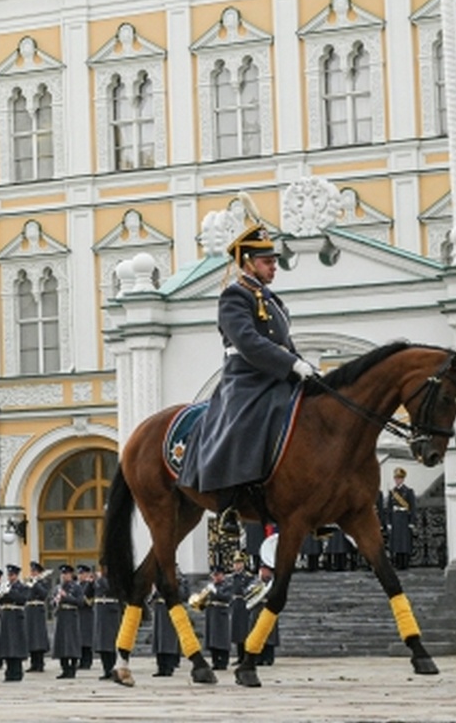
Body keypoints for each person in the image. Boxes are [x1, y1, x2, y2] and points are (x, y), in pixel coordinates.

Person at [178, 221, 314, 535]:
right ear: (249, 263)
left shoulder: (272, 301)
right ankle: (227, 504)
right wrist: (291, 364)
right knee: (242, 423)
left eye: (275, 261)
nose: (273, 267)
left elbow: (283, 342)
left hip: (276, 374)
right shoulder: (234, 296)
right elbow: (249, 342)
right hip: (246, 378)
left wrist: (305, 367)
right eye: (268, 262)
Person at [0, 565, 28, 682]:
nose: (10, 577)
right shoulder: (4, 586)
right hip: (5, 618)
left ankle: (17, 672)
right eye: (9, 575)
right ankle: (8, 672)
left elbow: (23, 599)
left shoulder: (22, 586)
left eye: (12, 575)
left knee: (16, 646)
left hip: (16, 617)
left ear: (17, 575)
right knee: (6, 646)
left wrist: (9, 593)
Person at [50, 564, 83, 679]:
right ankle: (64, 669)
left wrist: (67, 596)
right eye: (63, 574)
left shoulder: (76, 587)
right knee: (62, 644)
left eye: (66, 574)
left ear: (71, 575)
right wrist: (55, 600)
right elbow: (52, 603)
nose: (64, 576)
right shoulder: (58, 587)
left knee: (72, 643)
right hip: (61, 616)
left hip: (71, 616)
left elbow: (80, 602)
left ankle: (72, 669)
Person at [386, 467, 418, 570]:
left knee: (404, 542)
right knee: (396, 543)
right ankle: (398, 562)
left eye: (399, 478)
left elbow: (412, 507)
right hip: (395, 519)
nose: (397, 480)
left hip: (404, 518)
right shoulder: (392, 492)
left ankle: (405, 563)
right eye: (396, 478)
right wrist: (389, 522)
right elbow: (389, 508)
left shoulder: (408, 491)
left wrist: (412, 521)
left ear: (403, 479)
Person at [202, 566, 233, 671]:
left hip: (221, 613)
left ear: (222, 575)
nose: (215, 577)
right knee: (213, 640)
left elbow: (226, 597)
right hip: (212, 613)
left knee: (222, 639)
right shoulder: (211, 586)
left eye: (217, 575)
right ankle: (215, 661)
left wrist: (215, 591)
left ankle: (223, 662)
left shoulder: (228, 585)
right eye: (214, 575)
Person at [24, 562, 50, 673]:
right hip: (30, 610)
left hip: (38, 610)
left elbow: (44, 594)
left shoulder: (43, 582)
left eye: (34, 571)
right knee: (31, 637)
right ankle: (33, 663)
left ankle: (40, 663)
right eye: (32, 571)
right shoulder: (29, 582)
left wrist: (36, 584)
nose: (32, 573)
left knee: (38, 637)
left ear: (39, 573)